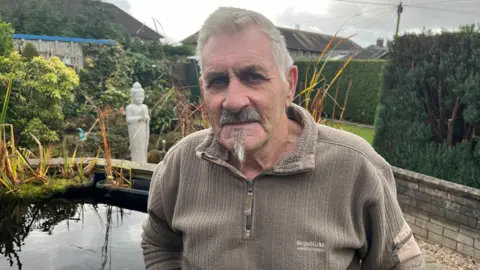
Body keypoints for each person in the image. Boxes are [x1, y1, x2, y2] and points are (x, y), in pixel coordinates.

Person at [141, 6, 424, 270]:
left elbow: (401, 263)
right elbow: (159, 243)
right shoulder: (182, 163)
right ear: (203, 90)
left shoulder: (356, 168)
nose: (234, 101)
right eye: (217, 81)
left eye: (253, 76)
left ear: (289, 85)